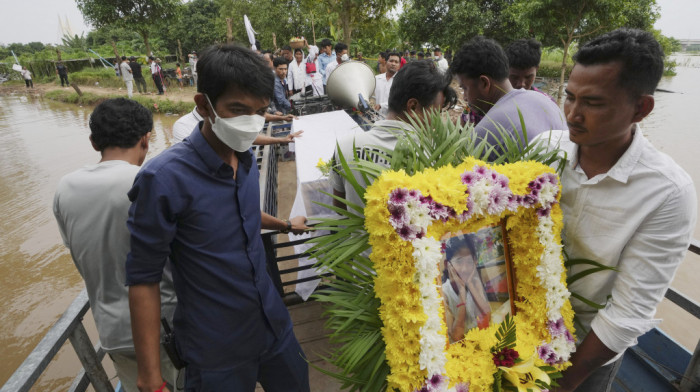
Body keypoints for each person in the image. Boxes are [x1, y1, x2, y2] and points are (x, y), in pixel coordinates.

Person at [127, 44, 311, 392]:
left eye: (258, 111)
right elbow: (143, 279)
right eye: (237, 110)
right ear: (203, 105)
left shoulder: (243, 157)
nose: (249, 122)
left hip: (273, 325)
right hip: (216, 348)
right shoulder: (163, 180)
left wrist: (286, 224)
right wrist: (150, 377)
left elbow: (241, 217)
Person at [535, 29, 697, 392]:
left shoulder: (667, 192)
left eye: (593, 103)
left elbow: (626, 314)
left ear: (641, 108)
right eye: (569, 97)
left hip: (586, 353)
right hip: (518, 322)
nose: (573, 115)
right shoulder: (544, 150)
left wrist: (560, 384)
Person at [53, 98, 179, 392]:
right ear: (146, 140)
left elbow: (80, 252)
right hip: (166, 326)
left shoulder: (65, 188)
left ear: (94, 142)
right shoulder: (151, 181)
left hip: (111, 330)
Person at [332, 60, 457, 210]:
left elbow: (339, 206)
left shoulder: (345, 146)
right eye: (436, 112)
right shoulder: (432, 155)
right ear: (413, 106)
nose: (437, 122)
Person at [451, 36, 566, 156]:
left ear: (484, 83)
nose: (464, 97)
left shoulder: (487, 130)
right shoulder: (546, 102)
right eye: (515, 77)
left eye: (464, 88)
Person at [442, 236, 491, 343]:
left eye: (469, 262)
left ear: (475, 262)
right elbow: (456, 336)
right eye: (459, 262)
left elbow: (487, 317)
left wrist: (470, 286)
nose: (464, 269)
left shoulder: (475, 283)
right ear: (447, 264)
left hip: (477, 342)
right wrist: (462, 296)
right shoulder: (443, 293)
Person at [172, 104, 302, 144]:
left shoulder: (226, 118)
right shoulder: (183, 126)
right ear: (204, 105)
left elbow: (247, 136)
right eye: (236, 110)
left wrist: (281, 139)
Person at [373, 52, 400, 116]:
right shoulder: (376, 79)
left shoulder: (401, 82)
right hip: (375, 117)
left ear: (399, 65)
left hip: (391, 120)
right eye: (391, 61)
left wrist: (381, 105)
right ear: (386, 62)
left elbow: (398, 101)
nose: (393, 64)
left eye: (396, 62)